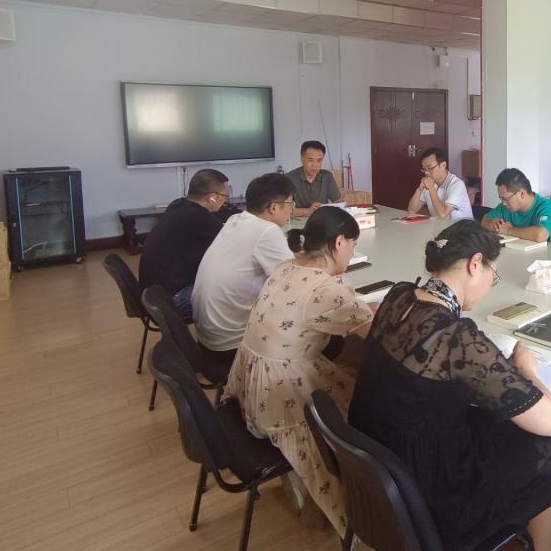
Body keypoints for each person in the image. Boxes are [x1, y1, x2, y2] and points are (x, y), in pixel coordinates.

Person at [349, 220, 551, 551]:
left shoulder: (398, 295)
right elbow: (549, 422)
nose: (491, 284)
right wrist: (526, 369)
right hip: (430, 488)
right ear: (475, 263)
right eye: (493, 275)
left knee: (492, 422)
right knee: (547, 448)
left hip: (379, 462)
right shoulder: (456, 338)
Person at [226, 207, 374, 537]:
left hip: (253, 385)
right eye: (353, 245)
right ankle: (358, 502)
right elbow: (378, 333)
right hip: (283, 399)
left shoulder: (287, 266)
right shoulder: (326, 290)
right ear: (339, 243)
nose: (352, 252)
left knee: (349, 371)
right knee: (368, 401)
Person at [191, 173, 295, 370]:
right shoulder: (267, 231)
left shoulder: (235, 219)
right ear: (274, 207)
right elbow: (295, 283)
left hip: (208, 337)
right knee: (324, 336)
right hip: (231, 346)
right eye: (290, 204)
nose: (291, 210)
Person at [138, 168, 229, 318]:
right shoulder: (199, 217)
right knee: (236, 292)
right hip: (172, 299)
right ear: (212, 197)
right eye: (225, 196)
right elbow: (231, 244)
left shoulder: (178, 205)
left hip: (153, 294)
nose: (225, 201)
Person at [480, 168, 551, 243]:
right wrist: (493, 224)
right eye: (501, 199)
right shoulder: (506, 207)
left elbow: (540, 235)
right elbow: (485, 220)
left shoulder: (548, 206)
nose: (503, 203)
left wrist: (509, 231)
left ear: (521, 194)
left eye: (505, 199)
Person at [406, 147, 472, 221]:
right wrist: (419, 189)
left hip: (462, 227)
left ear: (443, 165)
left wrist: (431, 188)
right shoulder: (430, 182)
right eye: (424, 169)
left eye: (430, 168)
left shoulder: (457, 185)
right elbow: (412, 210)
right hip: (441, 226)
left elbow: (443, 214)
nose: (426, 172)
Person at [286, 140, 341, 217]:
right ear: (302, 159)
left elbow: (338, 203)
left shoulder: (327, 177)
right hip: (297, 221)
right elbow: (284, 210)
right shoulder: (289, 179)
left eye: (319, 160)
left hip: (321, 220)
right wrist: (307, 211)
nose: (315, 165)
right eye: (310, 160)